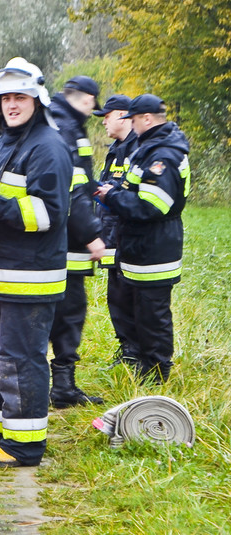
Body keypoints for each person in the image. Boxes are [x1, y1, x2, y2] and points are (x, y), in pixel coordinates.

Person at [0, 58, 72, 467]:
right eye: (6, 97)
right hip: (1, 270)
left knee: (20, 360)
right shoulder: (9, 139)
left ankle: (24, 446)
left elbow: (49, 214)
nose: (11, 104)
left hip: (31, 276)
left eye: (19, 97)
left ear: (36, 99)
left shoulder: (48, 147)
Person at [97, 94, 190, 384]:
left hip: (155, 247)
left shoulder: (163, 156)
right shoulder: (149, 148)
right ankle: (143, 366)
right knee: (139, 310)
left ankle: (157, 375)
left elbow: (152, 205)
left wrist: (112, 196)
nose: (132, 126)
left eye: (134, 120)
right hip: (141, 246)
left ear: (147, 119)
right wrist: (114, 193)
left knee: (153, 316)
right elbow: (132, 188)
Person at [47, 75, 106, 408]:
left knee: (59, 311)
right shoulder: (67, 128)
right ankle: (63, 388)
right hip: (67, 240)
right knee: (69, 312)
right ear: (82, 98)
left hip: (55, 236)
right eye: (90, 103)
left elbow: (81, 179)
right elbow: (72, 189)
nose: (92, 110)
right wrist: (92, 235)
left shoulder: (57, 121)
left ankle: (59, 384)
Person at [92, 95, 139, 366]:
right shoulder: (114, 149)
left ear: (122, 115)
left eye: (107, 116)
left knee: (131, 297)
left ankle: (138, 354)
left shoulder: (138, 148)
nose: (104, 123)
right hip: (110, 234)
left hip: (130, 236)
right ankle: (127, 351)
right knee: (116, 296)